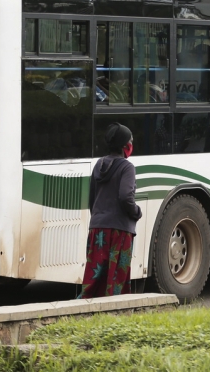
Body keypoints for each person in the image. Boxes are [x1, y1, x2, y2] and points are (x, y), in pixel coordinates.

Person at [79, 123, 141, 298]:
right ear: (124, 146)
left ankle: (85, 312)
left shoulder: (99, 164)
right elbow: (126, 197)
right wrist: (136, 212)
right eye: (130, 141)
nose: (131, 144)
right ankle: (112, 315)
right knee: (115, 281)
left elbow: (92, 198)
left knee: (94, 279)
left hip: (97, 229)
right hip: (119, 231)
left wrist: (99, 218)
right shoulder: (127, 167)